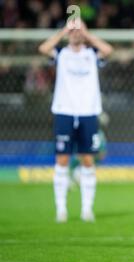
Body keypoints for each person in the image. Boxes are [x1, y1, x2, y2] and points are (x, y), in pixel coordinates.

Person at [38, 19, 113, 223]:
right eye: (74, 30)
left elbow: (108, 49)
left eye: (78, 30)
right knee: (62, 159)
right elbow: (43, 48)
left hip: (89, 112)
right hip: (65, 111)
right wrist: (63, 31)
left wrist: (87, 34)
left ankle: (86, 209)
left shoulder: (92, 54)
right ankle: (61, 209)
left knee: (87, 160)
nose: (76, 33)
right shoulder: (61, 54)